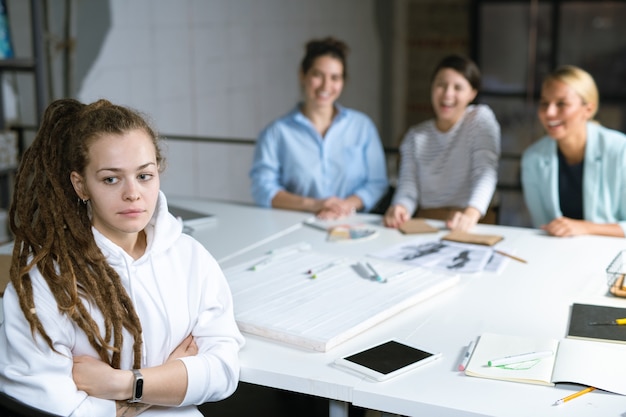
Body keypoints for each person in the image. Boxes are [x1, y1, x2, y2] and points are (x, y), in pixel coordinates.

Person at [0, 99, 245, 416]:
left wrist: (125, 386)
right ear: (81, 184)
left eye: (144, 176)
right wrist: (167, 382)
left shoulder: (191, 258)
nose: (133, 193)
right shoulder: (46, 281)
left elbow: (223, 371)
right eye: (111, 179)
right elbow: (51, 408)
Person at [249, 37, 389, 220]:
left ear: (343, 81)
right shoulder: (276, 132)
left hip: (352, 224)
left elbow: (376, 183)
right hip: (295, 226)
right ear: (303, 75)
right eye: (317, 75)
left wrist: (342, 207)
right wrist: (314, 205)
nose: (326, 86)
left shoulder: (362, 126)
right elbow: (262, 188)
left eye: (335, 78)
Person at [384, 54, 501, 231]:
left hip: (474, 220)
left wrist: (470, 214)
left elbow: (485, 173)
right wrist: (400, 207)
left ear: (472, 93)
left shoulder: (480, 119)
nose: (448, 94)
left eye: (458, 87)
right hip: (428, 221)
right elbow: (408, 188)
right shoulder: (414, 136)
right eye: (441, 85)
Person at [521, 65, 626, 237]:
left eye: (561, 104)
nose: (549, 112)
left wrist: (585, 227)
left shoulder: (620, 150)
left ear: (588, 109)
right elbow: (542, 225)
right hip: (558, 253)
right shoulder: (532, 158)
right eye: (544, 103)